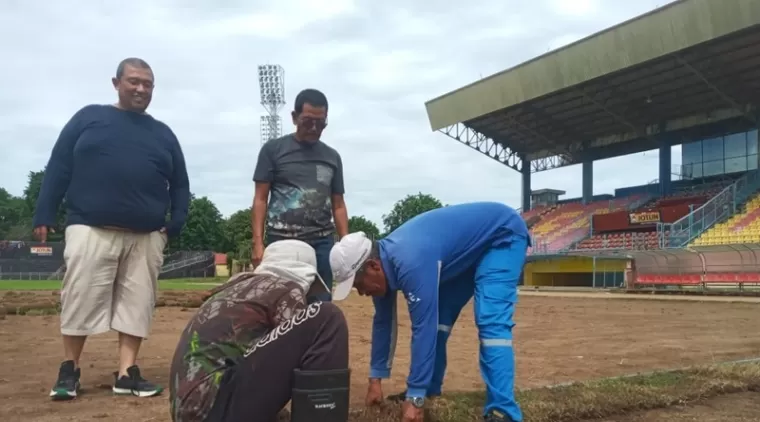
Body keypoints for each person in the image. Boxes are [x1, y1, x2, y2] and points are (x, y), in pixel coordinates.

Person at [33, 57, 190, 400]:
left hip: (146, 235)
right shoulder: (89, 118)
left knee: (138, 303)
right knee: (80, 296)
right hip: (91, 227)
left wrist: (174, 223)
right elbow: (59, 165)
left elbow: (180, 184)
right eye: (134, 81)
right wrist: (44, 212)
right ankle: (69, 369)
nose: (141, 88)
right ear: (116, 82)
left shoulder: (163, 133)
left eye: (148, 84)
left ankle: (126, 372)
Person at [329, 202, 530, 422]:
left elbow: (422, 329)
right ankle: (429, 389)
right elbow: (383, 323)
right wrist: (375, 380)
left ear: (373, 266)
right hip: (467, 252)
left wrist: (414, 399)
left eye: (358, 284)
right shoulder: (382, 262)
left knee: (490, 318)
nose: (361, 292)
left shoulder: (410, 260)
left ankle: (502, 410)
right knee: (439, 322)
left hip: (501, 236)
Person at [169, 239, 350, 422]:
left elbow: (263, 358)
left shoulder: (237, 289)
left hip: (196, 409)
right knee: (327, 316)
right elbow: (297, 351)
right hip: (216, 406)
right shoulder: (285, 288)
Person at [251, 88, 349, 302]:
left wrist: (345, 244)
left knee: (320, 306)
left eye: (320, 123)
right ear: (294, 118)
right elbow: (260, 199)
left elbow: (338, 204)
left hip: (322, 243)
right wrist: (258, 244)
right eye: (307, 121)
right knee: (280, 303)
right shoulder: (273, 150)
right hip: (282, 240)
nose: (314, 128)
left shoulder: (332, 158)